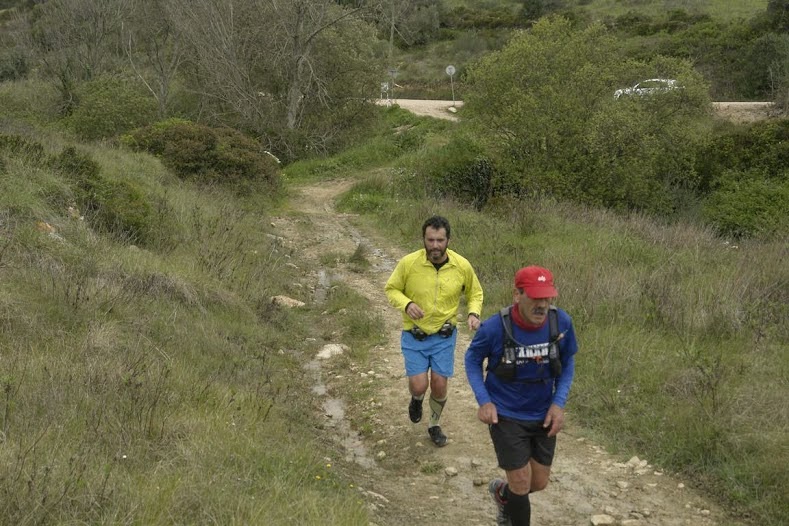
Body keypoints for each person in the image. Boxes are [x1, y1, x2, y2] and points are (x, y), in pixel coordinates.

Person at [464, 265, 578, 526]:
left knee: (538, 482)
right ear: (517, 295)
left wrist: (558, 403)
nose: (542, 305)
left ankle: (502, 495)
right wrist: (484, 401)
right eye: (536, 297)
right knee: (521, 481)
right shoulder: (495, 327)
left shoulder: (561, 323)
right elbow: (472, 360)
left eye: (547, 297)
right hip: (506, 413)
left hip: (543, 413)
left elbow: (567, 363)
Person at [385, 215, 483, 447]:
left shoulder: (461, 265)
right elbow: (392, 289)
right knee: (419, 385)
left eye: (440, 240)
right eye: (430, 240)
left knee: (439, 384)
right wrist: (407, 304)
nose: (435, 245)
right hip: (414, 334)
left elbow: (475, 292)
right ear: (423, 239)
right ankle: (417, 399)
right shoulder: (409, 263)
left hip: (444, 336)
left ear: (448, 240)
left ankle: (434, 425)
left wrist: (473, 313)